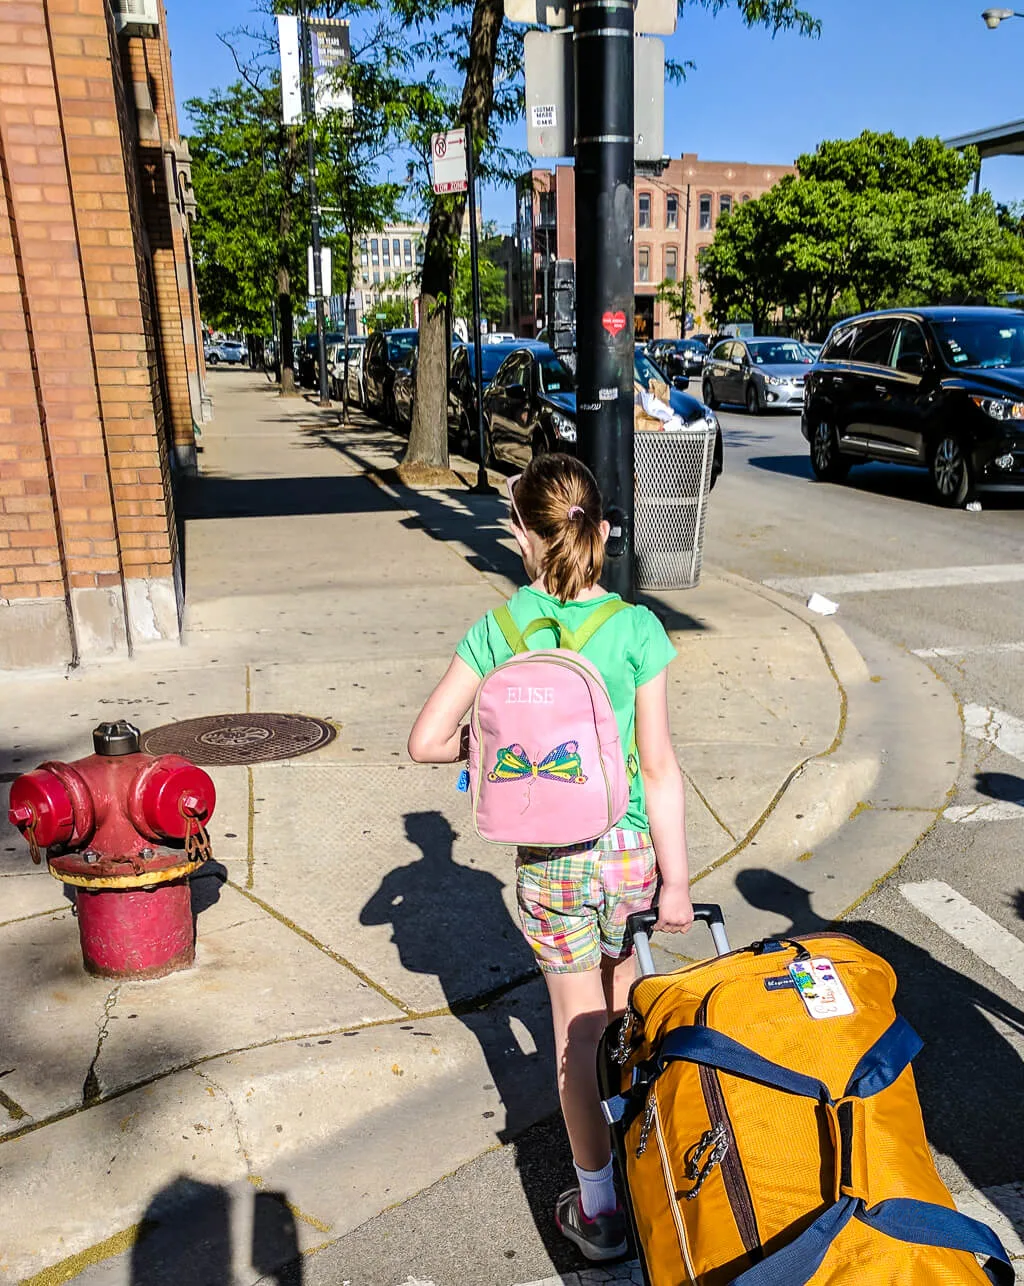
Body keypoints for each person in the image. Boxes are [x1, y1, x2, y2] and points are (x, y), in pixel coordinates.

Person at [408, 453, 694, 1263]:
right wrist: (675, 882)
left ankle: (599, 1211)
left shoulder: (498, 630)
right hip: (632, 850)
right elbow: (662, 766)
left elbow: (425, 741)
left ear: (522, 539)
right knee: (625, 1023)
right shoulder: (639, 629)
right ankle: (652, 1181)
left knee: (574, 1032)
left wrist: (494, 743)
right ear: (601, 530)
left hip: (555, 863)